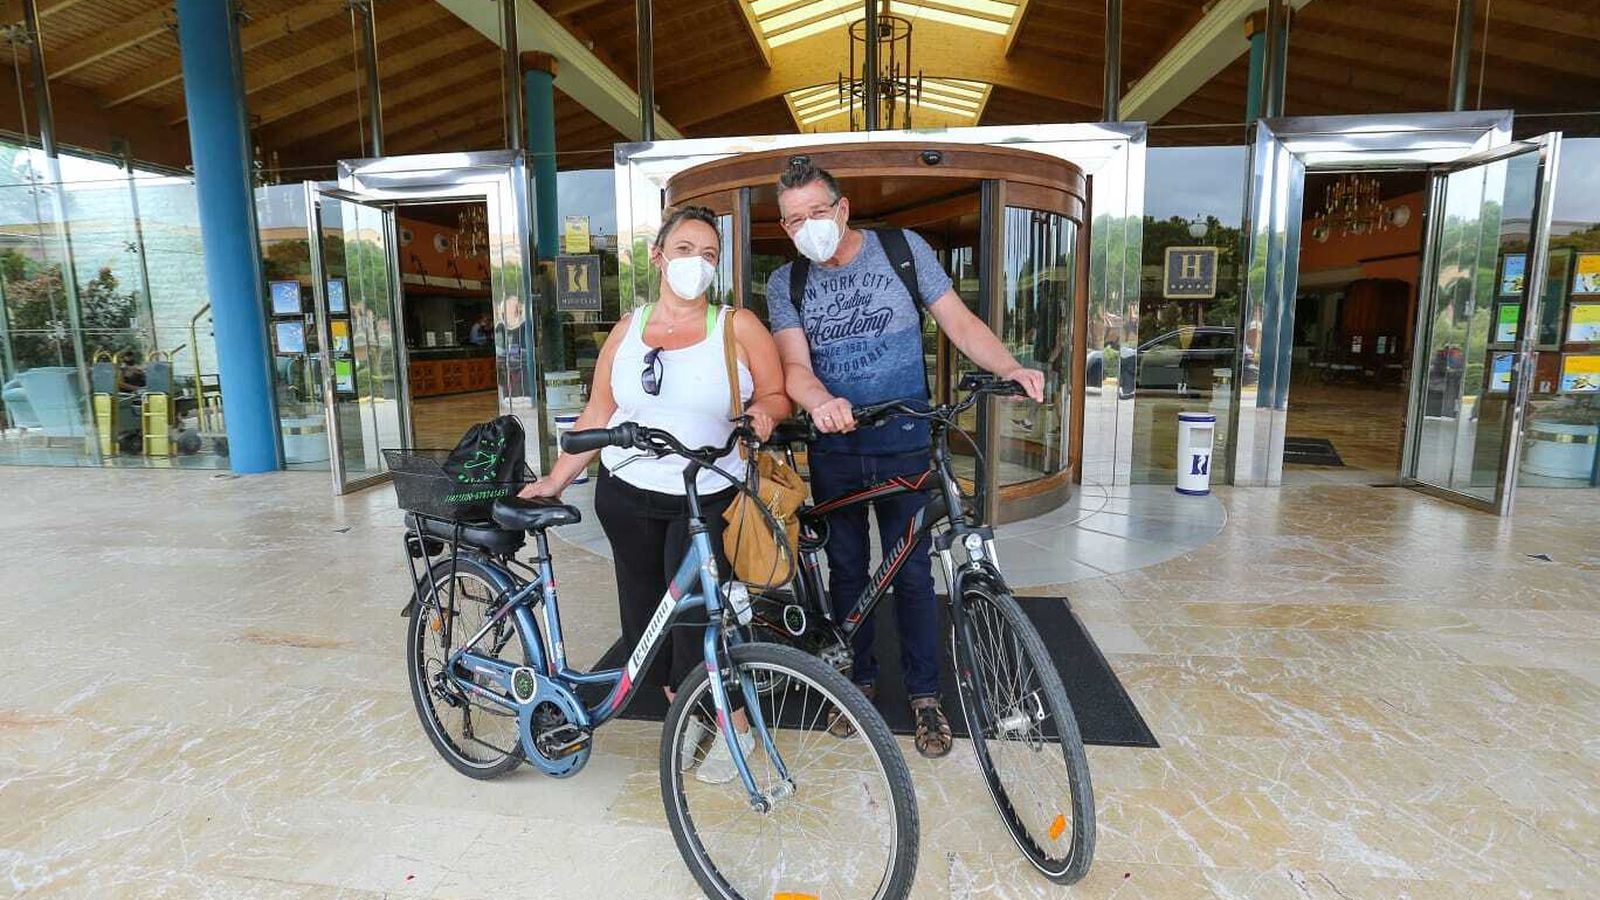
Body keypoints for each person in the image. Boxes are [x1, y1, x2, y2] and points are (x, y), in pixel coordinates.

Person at [766, 161, 1044, 759]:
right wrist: (820, 403)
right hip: (836, 450)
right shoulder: (787, 281)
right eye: (794, 220)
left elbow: (959, 322)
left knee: (913, 573)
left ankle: (925, 696)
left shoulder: (901, 251)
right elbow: (794, 368)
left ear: (842, 209)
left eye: (817, 213)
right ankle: (856, 683)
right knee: (847, 570)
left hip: (906, 441)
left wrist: (1009, 367)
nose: (808, 227)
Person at [518, 205, 789, 782]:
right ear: (659, 257)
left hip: (705, 498)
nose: (698, 263)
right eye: (686, 249)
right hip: (625, 495)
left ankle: (735, 730)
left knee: (698, 626)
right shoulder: (628, 328)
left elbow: (775, 393)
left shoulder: (737, 326)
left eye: (710, 254)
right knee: (647, 628)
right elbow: (600, 410)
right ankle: (683, 714)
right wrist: (556, 479)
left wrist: (765, 413)